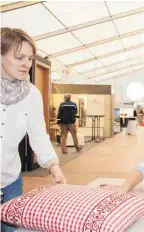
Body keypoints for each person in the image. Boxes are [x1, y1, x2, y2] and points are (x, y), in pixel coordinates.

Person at [1, 27, 67, 232]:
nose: (26, 64)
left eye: (29, 58)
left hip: (10, 179)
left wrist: (53, 166)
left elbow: (38, 135)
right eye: (19, 57)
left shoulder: (31, 94)